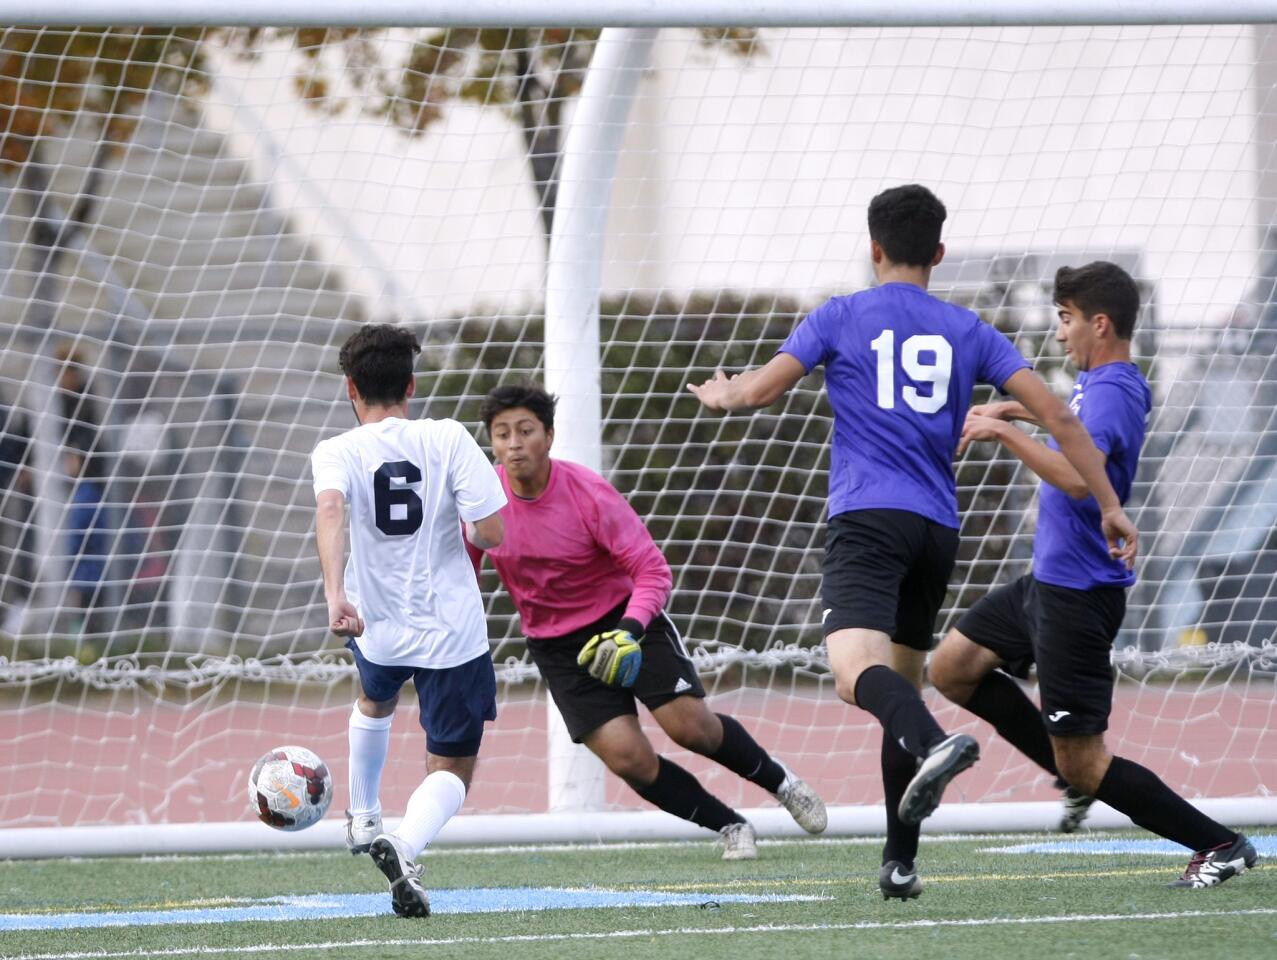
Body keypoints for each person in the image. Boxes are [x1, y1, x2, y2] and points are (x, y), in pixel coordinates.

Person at [687, 184, 1139, 899]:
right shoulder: (968, 328)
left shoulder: (839, 315)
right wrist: (1111, 505)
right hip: (935, 530)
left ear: (873, 249)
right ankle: (899, 861)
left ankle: (934, 743)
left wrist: (720, 393)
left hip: (868, 520)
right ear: (937, 253)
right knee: (895, 684)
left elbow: (756, 393)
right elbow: (1060, 416)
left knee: (852, 674)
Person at [931, 261, 1257, 889]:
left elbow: (1080, 479)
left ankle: (1220, 843)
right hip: (1047, 585)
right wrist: (1022, 415)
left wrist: (1002, 431)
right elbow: (1073, 432)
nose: (1060, 334)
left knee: (1085, 762)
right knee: (951, 667)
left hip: (1077, 597)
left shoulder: (1111, 390)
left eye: (1066, 319)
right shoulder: (1102, 382)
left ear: (1099, 323)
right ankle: (1064, 768)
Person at [468, 383, 827, 861]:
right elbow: (462, 572)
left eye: (525, 431)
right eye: (502, 433)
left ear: (549, 437)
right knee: (629, 760)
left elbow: (652, 570)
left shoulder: (588, 493)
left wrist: (631, 630)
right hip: (557, 647)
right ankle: (731, 826)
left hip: (625, 621)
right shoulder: (480, 502)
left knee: (691, 729)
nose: (514, 444)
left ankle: (781, 781)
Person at [311, 324, 507, 918]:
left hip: (377, 624)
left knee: (375, 699)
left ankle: (364, 813)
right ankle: (403, 842)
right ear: (412, 384)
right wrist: (470, 525)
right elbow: (492, 532)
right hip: (451, 631)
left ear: (351, 389)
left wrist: (334, 594)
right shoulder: (447, 438)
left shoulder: (336, 450)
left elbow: (330, 508)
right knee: (452, 764)